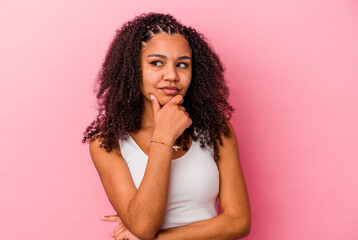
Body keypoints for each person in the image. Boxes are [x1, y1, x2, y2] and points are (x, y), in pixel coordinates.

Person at [82, 12, 250, 240]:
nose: (171, 75)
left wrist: (157, 238)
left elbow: (239, 221)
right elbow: (144, 225)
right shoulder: (107, 144)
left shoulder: (216, 130)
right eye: (156, 63)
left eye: (182, 65)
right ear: (133, 70)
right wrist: (163, 136)